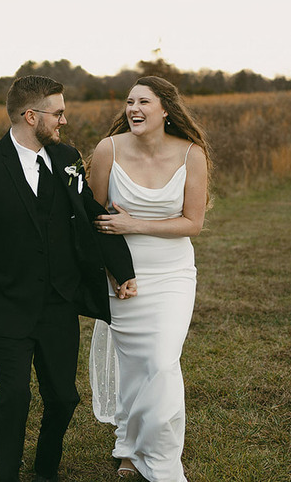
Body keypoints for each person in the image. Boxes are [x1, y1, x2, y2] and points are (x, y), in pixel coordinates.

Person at [0, 75, 137, 482]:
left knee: (63, 398)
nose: (64, 121)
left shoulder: (66, 158)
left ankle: (45, 471)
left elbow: (89, 213)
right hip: (6, 303)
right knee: (15, 395)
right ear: (31, 116)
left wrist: (122, 269)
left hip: (59, 302)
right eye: (58, 113)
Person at [88, 76, 211, 481]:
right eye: (129, 102)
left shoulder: (192, 155)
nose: (133, 109)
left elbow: (193, 223)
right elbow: (90, 219)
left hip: (173, 274)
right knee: (134, 367)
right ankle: (128, 446)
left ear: (166, 110)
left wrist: (132, 223)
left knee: (161, 362)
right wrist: (116, 273)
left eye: (143, 101)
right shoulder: (108, 150)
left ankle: (160, 461)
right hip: (124, 278)